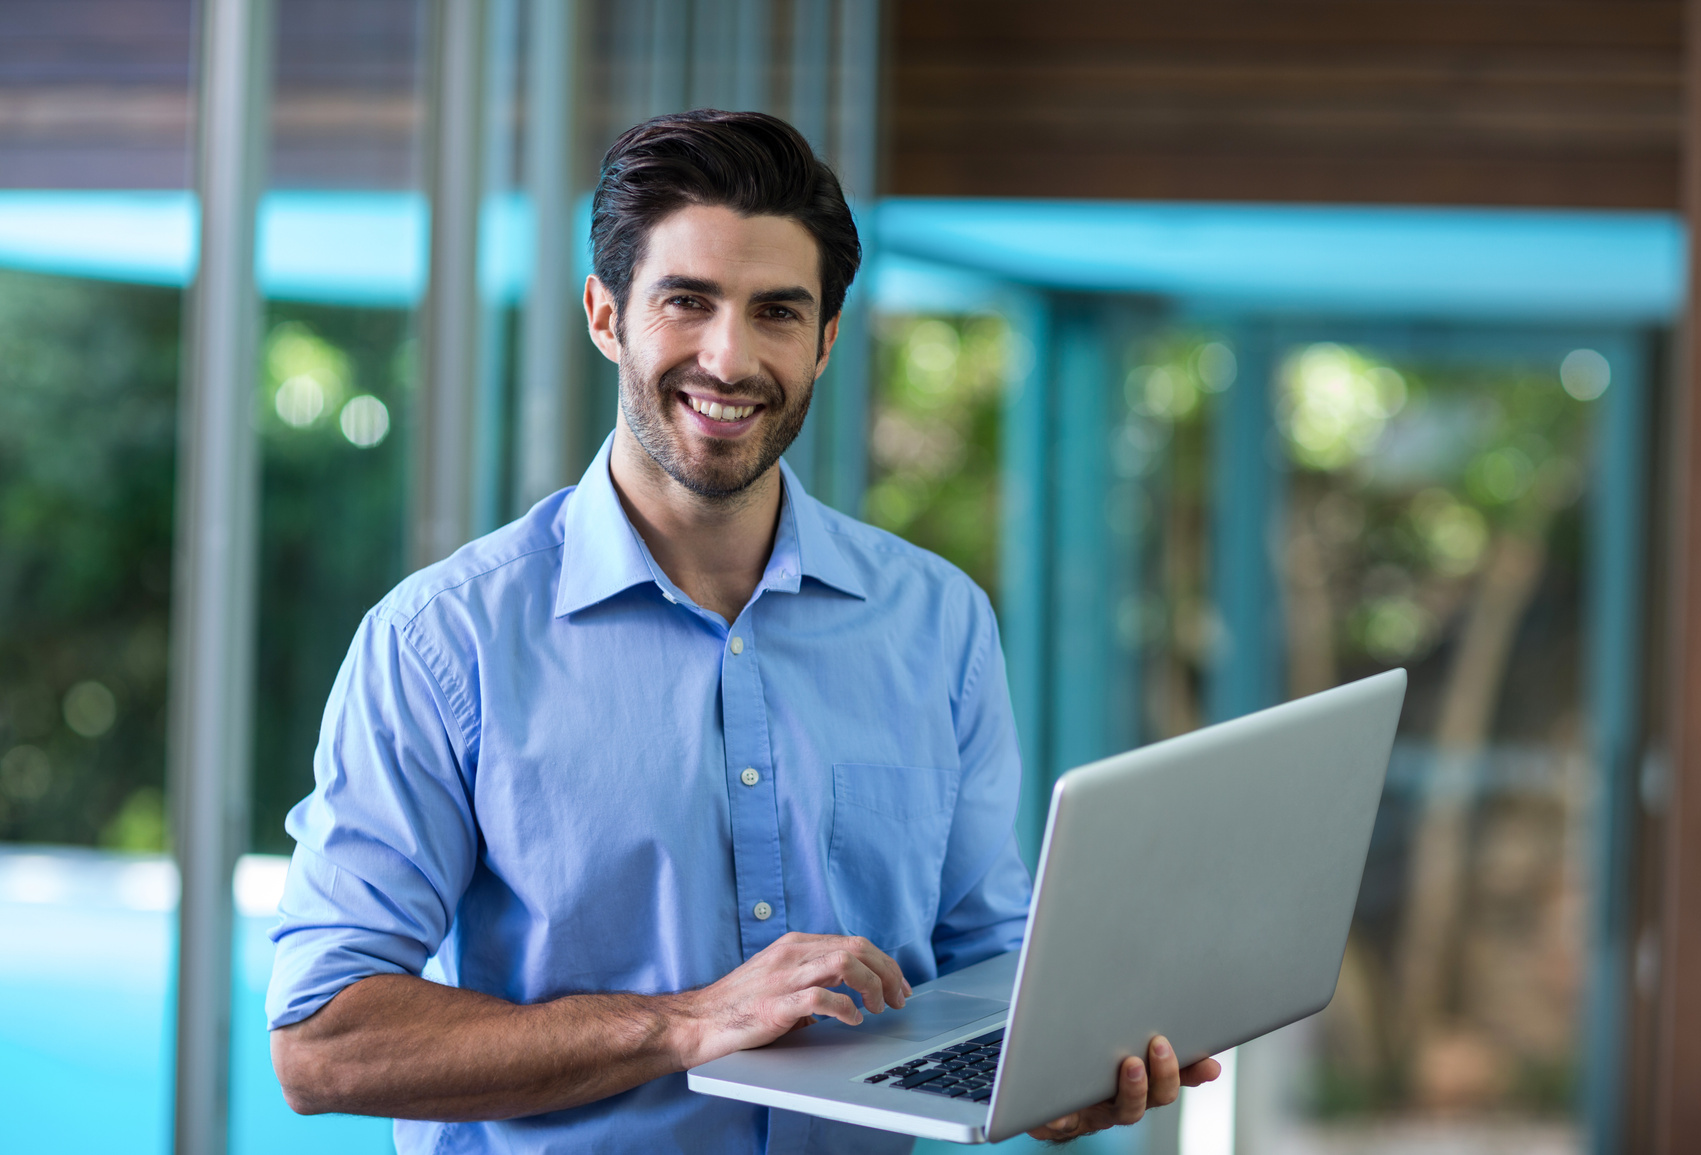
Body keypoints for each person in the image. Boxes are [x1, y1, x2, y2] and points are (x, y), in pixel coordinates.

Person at [266, 109, 1219, 1155]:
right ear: (604, 314)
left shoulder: (937, 622)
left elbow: (982, 956)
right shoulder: (444, 642)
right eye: (687, 301)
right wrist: (688, 1023)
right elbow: (323, 1043)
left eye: (775, 312)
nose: (729, 358)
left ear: (824, 341)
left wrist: (1059, 1071)